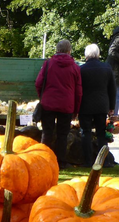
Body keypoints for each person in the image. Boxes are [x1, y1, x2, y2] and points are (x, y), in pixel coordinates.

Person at [35, 39, 82, 169]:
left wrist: (42, 97)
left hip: (48, 104)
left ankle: (44, 160)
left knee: (47, 133)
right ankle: (61, 162)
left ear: (56, 50)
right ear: (69, 51)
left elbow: (38, 83)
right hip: (66, 105)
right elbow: (78, 91)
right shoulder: (75, 67)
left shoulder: (48, 64)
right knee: (63, 135)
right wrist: (76, 110)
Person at [78, 44, 116, 167]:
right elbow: (112, 89)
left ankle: (88, 161)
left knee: (86, 132)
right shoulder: (106, 68)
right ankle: (104, 162)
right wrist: (112, 106)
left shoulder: (81, 69)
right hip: (102, 105)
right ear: (98, 54)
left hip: (85, 106)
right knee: (101, 133)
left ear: (86, 55)